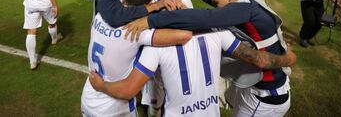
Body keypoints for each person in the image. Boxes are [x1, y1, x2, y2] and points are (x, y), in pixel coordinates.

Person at [122, 0, 294, 117]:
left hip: (265, 96)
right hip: (268, 89)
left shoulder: (243, 9)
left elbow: (208, 17)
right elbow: (213, 4)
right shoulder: (252, 0)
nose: (218, 8)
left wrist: (153, 21)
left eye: (219, 4)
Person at [89, 29, 296, 117]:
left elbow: (128, 89)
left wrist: (101, 86)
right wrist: (287, 59)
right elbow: (258, 59)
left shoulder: (154, 47)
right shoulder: (218, 34)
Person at [81, 0, 192, 117]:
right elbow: (185, 35)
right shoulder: (137, 31)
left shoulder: (101, 16)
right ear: (147, 4)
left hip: (88, 98)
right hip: (115, 109)